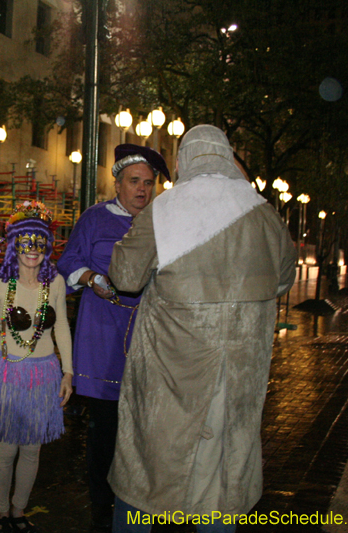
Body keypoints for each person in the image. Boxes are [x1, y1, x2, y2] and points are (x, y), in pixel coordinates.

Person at [107, 125, 297, 533]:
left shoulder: (166, 208)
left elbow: (124, 276)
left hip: (169, 380)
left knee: (144, 475)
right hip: (237, 382)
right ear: (227, 157)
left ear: (183, 161)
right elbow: (283, 278)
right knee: (221, 488)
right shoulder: (265, 213)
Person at [57, 144, 169, 530]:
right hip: (103, 334)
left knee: (144, 429)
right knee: (105, 431)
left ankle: (139, 505)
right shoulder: (95, 218)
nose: (142, 189)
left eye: (149, 183)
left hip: (150, 336)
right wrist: (91, 278)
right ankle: (102, 512)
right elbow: (69, 261)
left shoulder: (163, 222)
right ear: (118, 184)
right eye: (134, 181)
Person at [0, 201, 73, 533]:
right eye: (25, 241)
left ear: (47, 245)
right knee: (6, 450)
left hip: (44, 373)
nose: (32, 249)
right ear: (13, 244)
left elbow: (61, 328)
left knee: (32, 450)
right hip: (7, 373)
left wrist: (68, 373)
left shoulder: (56, 283)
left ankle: (19, 511)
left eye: (39, 241)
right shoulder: (0, 283)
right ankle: (1, 512)